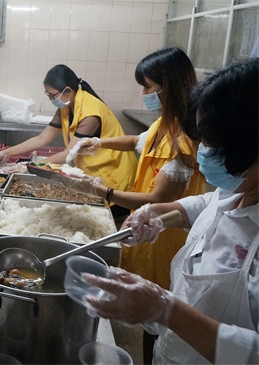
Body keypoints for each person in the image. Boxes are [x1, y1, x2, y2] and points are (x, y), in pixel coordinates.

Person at [81, 58, 258, 364]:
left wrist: (165, 310)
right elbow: (205, 203)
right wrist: (161, 213)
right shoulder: (238, 187)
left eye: (212, 144)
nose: (203, 150)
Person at [59, 48, 206, 362]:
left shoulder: (183, 140)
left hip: (165, 238)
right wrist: (98, 142)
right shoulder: (164, 124)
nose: (144, 94)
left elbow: (157, 200)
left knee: (159, 319)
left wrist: (104, 192)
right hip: (146, 231)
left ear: (170, 87)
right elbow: (139, 140)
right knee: (146, 313)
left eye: (149, 87)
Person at [0, 64, 137, 217]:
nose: (51, 99)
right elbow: (42, 138)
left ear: (67, 90)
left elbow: (67, 154)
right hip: (94, 170)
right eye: (48, 95)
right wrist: (6, 153)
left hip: (113, 174)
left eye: (53, 95)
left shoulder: (91, 113)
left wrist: (30, 167)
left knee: (108, 219)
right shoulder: (66, 107)